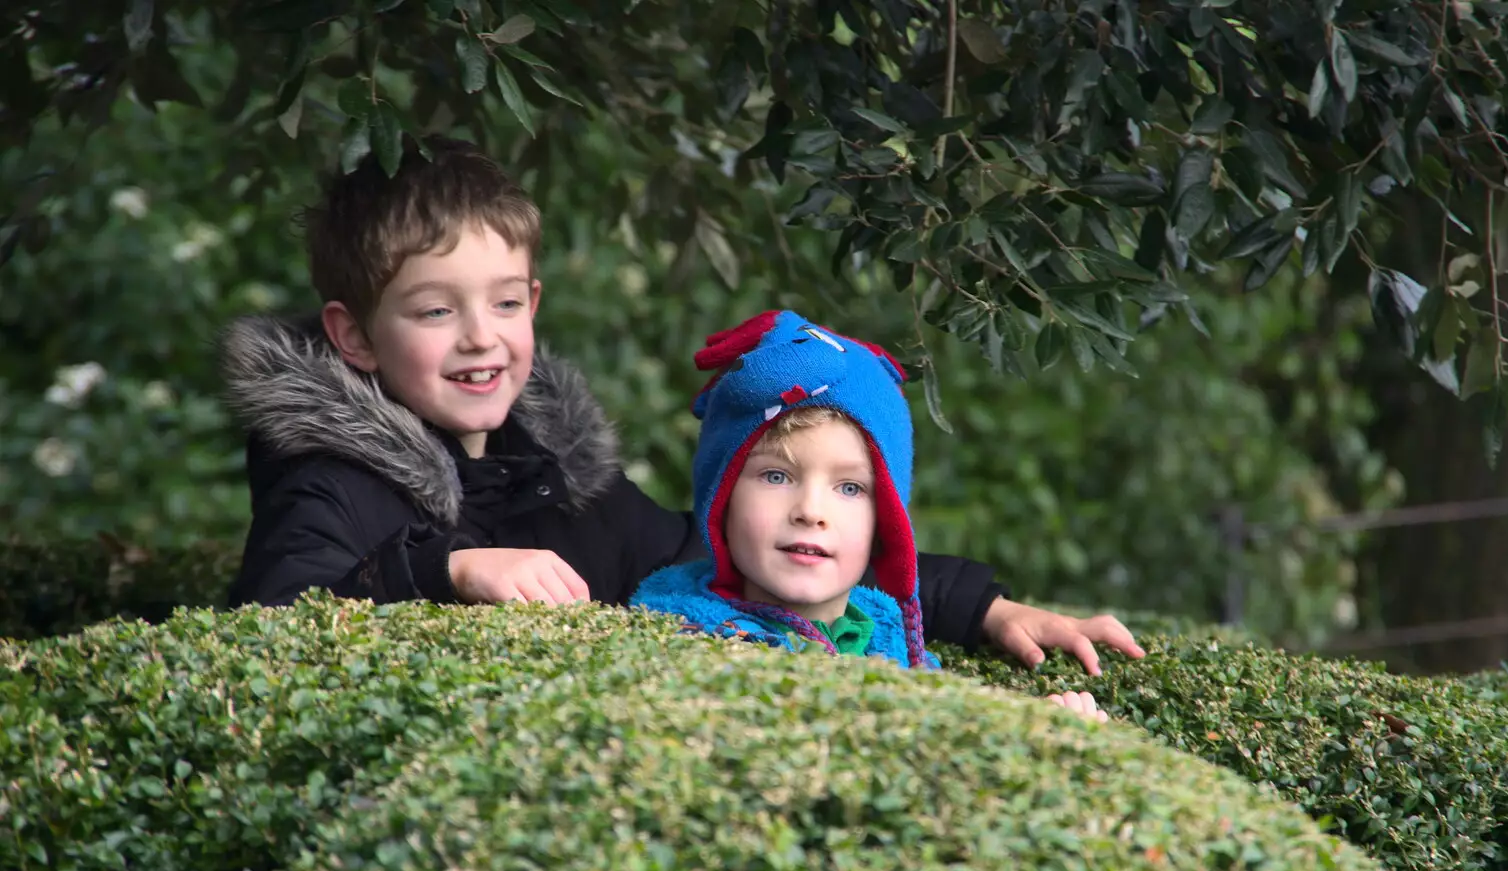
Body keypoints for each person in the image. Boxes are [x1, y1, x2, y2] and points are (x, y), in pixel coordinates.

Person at [220, 135, 1145, 676]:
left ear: (533, 305)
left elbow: (738, 554)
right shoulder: (327, 485)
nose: (480, 337)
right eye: (435, 310)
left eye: (504, 302)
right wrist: (449, 571)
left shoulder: (562, 480)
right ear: (354, 337)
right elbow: (267, 631)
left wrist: (983, 609)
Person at [632, 309, 1107, 719]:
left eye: (850, 487)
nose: (811, 511)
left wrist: (1037, 735)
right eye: (776, 476)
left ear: (887, 521)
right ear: (722, 501)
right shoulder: (686, 634)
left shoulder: (885, 631)